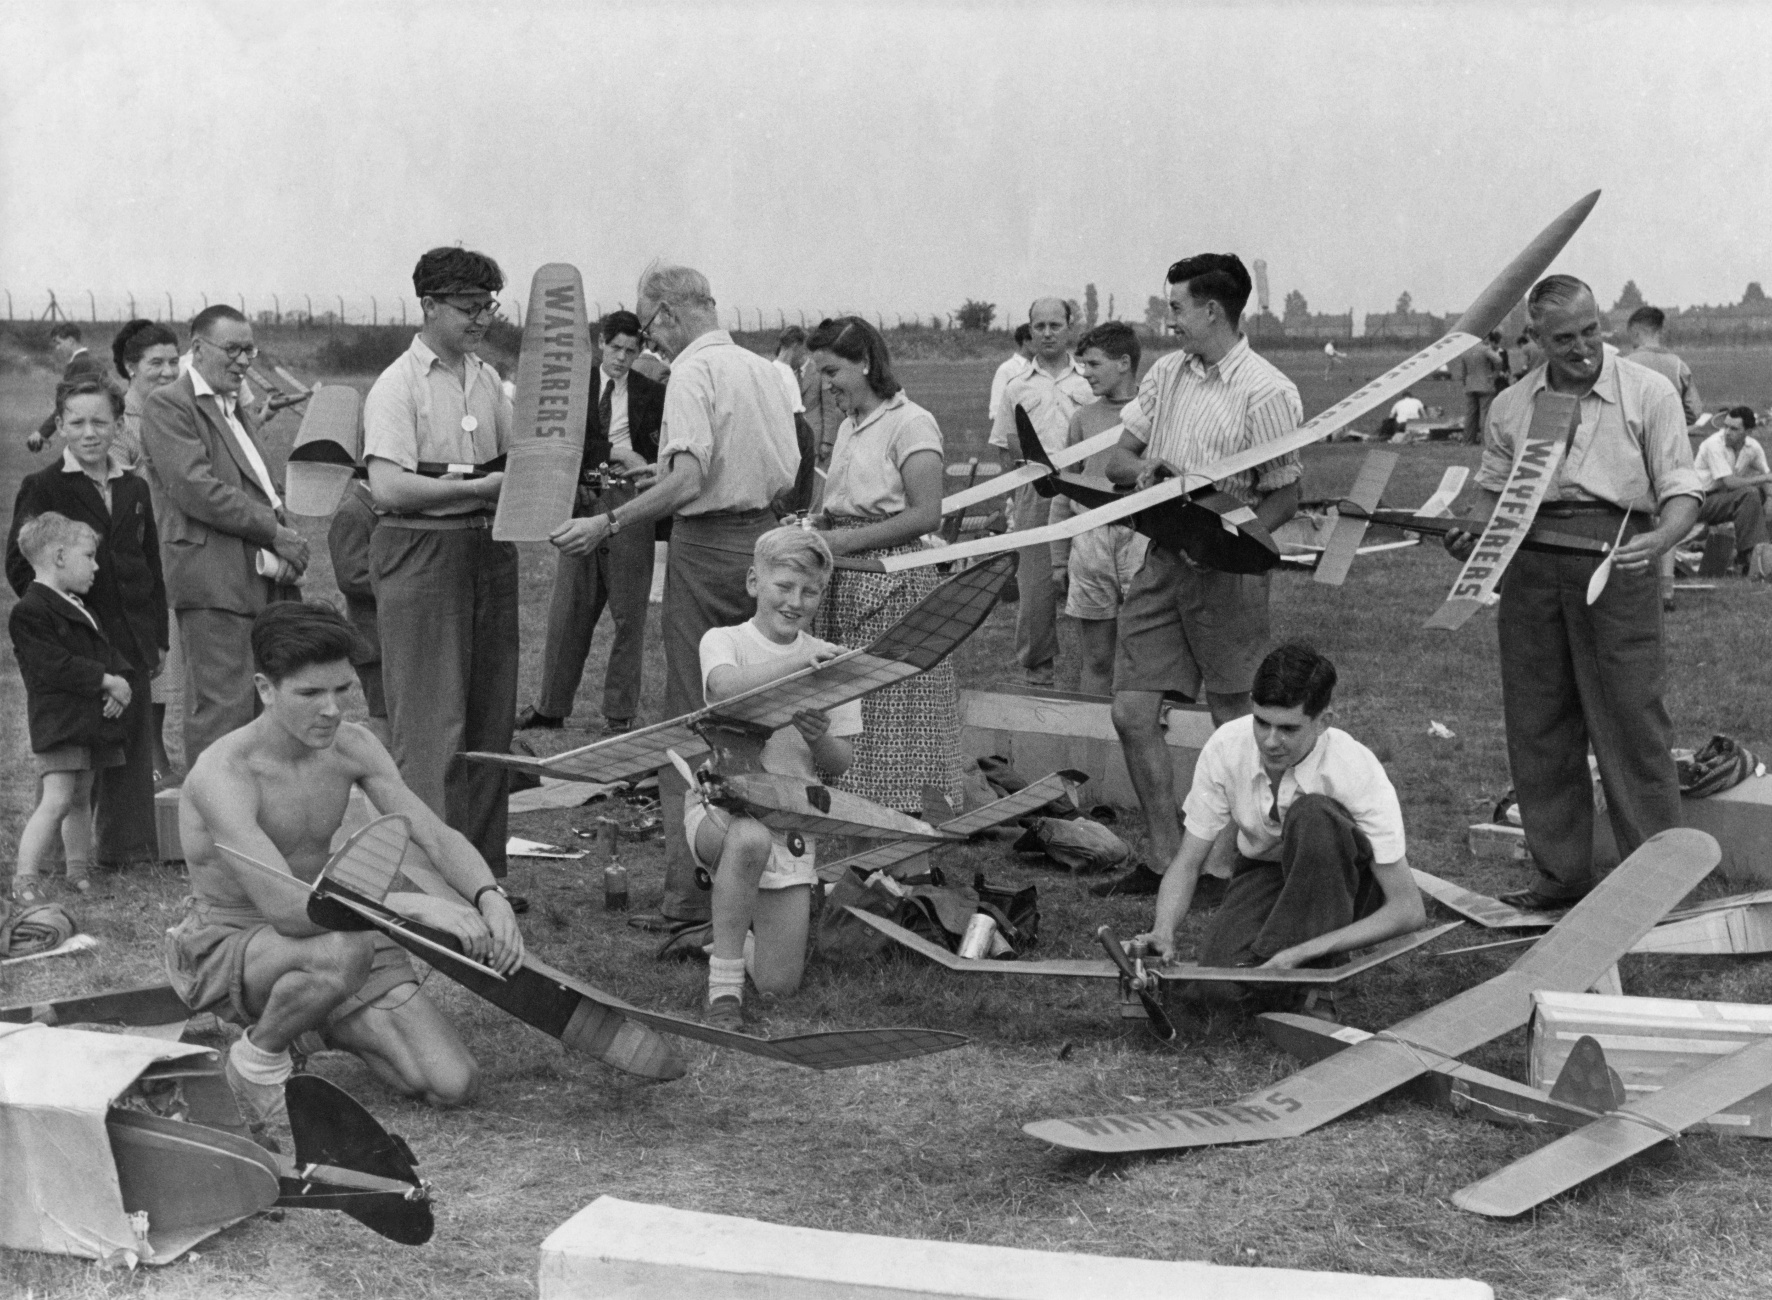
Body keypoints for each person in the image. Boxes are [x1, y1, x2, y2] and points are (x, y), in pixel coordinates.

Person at [166, 602, 524, 1144]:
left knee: (451, 1083)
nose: (331, 710)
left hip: (338, 925)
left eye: (343, 691)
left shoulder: (352, 744)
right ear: (265, 688)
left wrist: (489, 895)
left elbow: (433, 834)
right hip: (236, 943)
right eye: (310, 694)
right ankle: (255, 1061)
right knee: (346, 951)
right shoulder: (225, 773)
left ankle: (310, 1021)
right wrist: (409, 906)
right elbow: (288, 911)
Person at [549, 262, 798, 930]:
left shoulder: (692, 371)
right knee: (759, 711)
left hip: (709, 545)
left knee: (691, 716)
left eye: (652, 327)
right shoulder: (765, 370)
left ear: (666, 313)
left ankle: (690, 897)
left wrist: (610, 520)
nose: (653, 344)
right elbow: (792, 468)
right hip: (765, 540)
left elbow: (687, 481)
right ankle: (768, 879)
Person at [1447, 274, 1700, 910]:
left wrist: (1661, 539)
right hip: (1530, 564)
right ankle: (1560, 877)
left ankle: (1656, 881)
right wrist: (1470, 534)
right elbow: (1491, 492)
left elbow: (1682, 492)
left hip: (1616, 559)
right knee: (1539, 721)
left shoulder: (1648, 391)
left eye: (1591, 331)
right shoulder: (1511, 404)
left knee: (1630, 716)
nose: (1583, 348)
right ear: (1533, 339)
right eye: (1564, 339)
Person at [1092, 253, 1302, 900]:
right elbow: (1116, 459)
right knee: (1131, 711)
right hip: (1162, 561)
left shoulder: (1268, 390)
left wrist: (1233, 549)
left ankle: (1224, 866)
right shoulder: (1166, 372)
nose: (1169, 317)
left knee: (1235, 721)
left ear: (1213, 310)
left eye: (1177, 306)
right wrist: (1148, 467)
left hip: (1227, 577)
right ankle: (1161, 857)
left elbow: (1284, 495)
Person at [1133, 643, 1425, 1012]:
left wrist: (1301, 951)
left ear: (1323, 722)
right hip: (1266, 870)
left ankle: (1320, 971)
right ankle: (1290, 978)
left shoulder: (1354, 768)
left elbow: (1408, 909)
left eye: (1288, 728)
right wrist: (1163, 930)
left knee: (1315, 814)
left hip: (1347, 885)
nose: (1270, 741)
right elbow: (1188, 862)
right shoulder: (1226, 746)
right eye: (1261, 722)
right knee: (1216, 993)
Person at [362, 246, 520, 899]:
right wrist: (483, 487)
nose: (480, 318)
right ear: (428, 305)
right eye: (467, 307)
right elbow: (390, 486)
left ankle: (481, 876)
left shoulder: (486, 379)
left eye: (488, 306)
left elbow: (521, 464)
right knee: (432, 727)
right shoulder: (397, 385)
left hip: (485, 551)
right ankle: (429, 880)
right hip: (421, 552)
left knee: (489, 721)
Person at [689, 528, 862, 1028]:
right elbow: (722, 690)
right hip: (721, 805)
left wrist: (817, 736)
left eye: (809, 592)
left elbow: (840, 762)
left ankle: (726, 930)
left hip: (792, 818)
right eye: (783, 586)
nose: (795, 601)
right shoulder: (724, 641)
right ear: (753, 582)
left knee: (779, 985)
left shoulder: (832, 660)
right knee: (747, 841)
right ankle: (723, 994)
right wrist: (795, 666)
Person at [7, 378, 166, 871]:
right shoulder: (44, 486)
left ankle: (127, 849)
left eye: (100, 421)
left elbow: (151, 564)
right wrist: (65, 614)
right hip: (77, 641)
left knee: (131, 744)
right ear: (59, 426)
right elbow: (20, 565)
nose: (89, 432)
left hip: (133, 638)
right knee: (73, 749)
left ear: (118, 425)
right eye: (76, 422)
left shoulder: (135, 486)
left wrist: (156, 635)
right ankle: (54, 860)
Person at [139, 306, 307, 767]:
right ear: (197, 349)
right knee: (224, 714)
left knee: (266, 709)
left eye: (249, 349)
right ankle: (212, 829)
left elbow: (256, 481)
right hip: (213, 580)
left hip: (260, 575)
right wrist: (275, 531)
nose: (243, 360)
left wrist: (285, 532)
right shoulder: (169, 404)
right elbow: (197, 490)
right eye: (231, 349)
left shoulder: (231, 403)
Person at [807, 316, 959, 813]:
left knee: (892, 702)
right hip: (848, 575)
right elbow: (850, 502)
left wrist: (845, 543)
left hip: (893, 582)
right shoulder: (852, 425)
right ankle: (855, 808)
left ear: (866, 362)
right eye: (820, 375)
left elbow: (924, 513)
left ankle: (905, 813)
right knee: (850, 701)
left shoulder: (910, 421)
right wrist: (816, 524)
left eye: (832, 372)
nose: (824, 385)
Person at [518, 310, 665, 734]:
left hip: (627, 502)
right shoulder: (569, 388)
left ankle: (619, 715)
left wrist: (630, 467)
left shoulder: (651, 393)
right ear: (601, 343)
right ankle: (550, 706)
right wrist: (614, 453)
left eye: (631, 351)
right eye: (616, 347)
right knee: (569, 610)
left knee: (629, 615)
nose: (622, 357)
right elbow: (560, 440)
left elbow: (653, 456)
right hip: (581, 498)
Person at [8, 513, 133, 902]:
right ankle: (24, 877)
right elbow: (54, 666)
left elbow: (102, 653)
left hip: (88, 721)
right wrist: (106, 680)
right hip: (60, 721)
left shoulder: (79, 605)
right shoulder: (29, 611)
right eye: (90, 556)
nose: (96, 566)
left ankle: (77, 872)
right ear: (60, 556)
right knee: (58, 798)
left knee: (81, 797)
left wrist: (119, 682)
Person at [989, 300, 1092, 687]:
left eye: (1055, 325)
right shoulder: (1016, 386)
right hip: (1035, 492)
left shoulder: (1089, 381)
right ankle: (1038, 673)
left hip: (1084, 489)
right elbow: (1005, 445)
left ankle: (1096, 674)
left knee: (1091, 578)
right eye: (1039, 326)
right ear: (1029, 331)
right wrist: (1015, 497)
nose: (1047, 333)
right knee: (1035, 589)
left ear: (1069, 329)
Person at [1049, 322, 1147, 696]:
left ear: (1124, 363)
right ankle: (1092, 742)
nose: (1085, 373)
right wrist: (1059, 559)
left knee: (1145, 657)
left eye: (1093, 364)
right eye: (1082, 365)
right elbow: (1063, 489)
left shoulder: (1155, 413)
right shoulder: (1082, 418)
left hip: (1142, 536)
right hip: (1090, 542)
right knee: (1097, 659)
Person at [112, 318, 184, 779]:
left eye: (174, 361)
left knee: (172, 659)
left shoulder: (178, 409)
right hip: (138, 548)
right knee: (149, 651)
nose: (166, 370)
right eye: (155, 362)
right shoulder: (120, 420)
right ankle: (151, 760)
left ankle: (161, 758)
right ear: (129, 366)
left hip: (175, 543)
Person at [326, 480, 390, 747]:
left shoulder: (380, 509)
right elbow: (351, 576)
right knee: (383, 716)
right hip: (372, 639)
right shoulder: (352, 513)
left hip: (386, 636)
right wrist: (400, 583)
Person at [1692, 406, 1771, 570]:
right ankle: (1749, 558)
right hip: (1699, 502)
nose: (1727, 432)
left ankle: (1761, 553)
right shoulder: (1714, 444)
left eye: (1734, 428)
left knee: (1760, 494)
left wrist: (1769, 497)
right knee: (1749, 494)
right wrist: (1764, 479)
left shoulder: (1753, 447)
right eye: (1725, 426)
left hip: (1725, 499)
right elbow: (1730, 482)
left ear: (1748, 432)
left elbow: (1767, 476)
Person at [29, 323, 109, 452]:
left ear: (71, 341)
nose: (57, 348)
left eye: (59, 343)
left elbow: (65, 403)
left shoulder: (77, 364)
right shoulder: (93, 361)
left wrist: (42, 433)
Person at [1624, 306, 1703, 424]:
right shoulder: (1679, 366)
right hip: (1670, 437)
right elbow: (1693, 411)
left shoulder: (1624, 364)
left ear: (1635, 333)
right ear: (1659, 332)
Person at [1456, 331, 1506, 444]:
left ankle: (1468, 440)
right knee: (1485, 413)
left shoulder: (1465, 351)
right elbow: (1498, 360)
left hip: (1470, 385)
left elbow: (1463, 371)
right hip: (1485, 385)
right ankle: (1485, 440)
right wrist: (1495, 374)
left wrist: (1465, 382)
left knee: (1470, 415)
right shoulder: (1484, 349)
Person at [986, 323, 1034, 422]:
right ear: (1026, 341)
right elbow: (996, 411)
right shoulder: (1006, 370)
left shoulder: (1043, 368)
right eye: (1038, 340)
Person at [772, 326, 808, 418]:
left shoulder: (787, 370)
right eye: (803, 350)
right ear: (795, 346)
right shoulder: (778, 373)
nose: (803, 355)